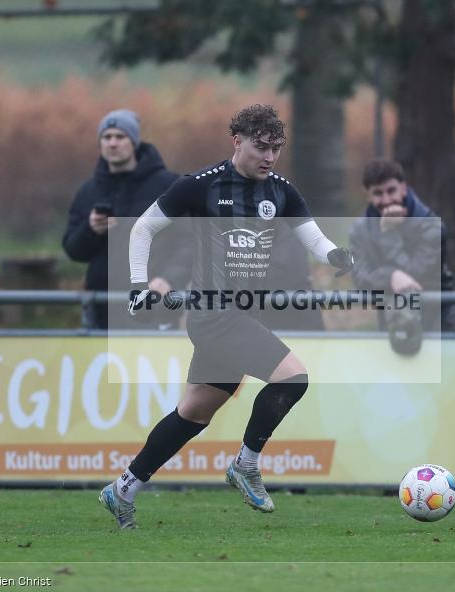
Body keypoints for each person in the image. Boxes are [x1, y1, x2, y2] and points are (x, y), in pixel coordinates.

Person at [97, 104, 354, 528]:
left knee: (194, 413)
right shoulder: (200, 185)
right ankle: (246, 464)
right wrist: (139, 284)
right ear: (237, 142)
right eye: (261, 147)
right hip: (214, 315)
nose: (269, 157)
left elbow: (314, 238)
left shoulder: (281, 191)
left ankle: (123, 487)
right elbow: (143, 228)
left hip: (242, 315)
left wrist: (336, 255)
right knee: (294, 378)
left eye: (276, 148)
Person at [62, 109, 189, 329]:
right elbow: (73, 250)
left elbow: (190, 240)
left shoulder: (168, 186)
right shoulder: (89, 190)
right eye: (106, 137)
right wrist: (90, 229)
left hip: (153, 305)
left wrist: (170, 279)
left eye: (120, 136)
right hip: (103, 308)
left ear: (134, 142)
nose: (113, 143)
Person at [350, 159, 455, 337]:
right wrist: (390, 276)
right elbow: (359, 277)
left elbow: (415, 275)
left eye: (391, 190)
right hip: (390, 316)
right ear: (368, 196)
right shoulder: (359, 230)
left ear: (403, 188)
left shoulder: (431, 226)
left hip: (437, 316)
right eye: (377, 193)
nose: (386, 200)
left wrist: (388, 233)